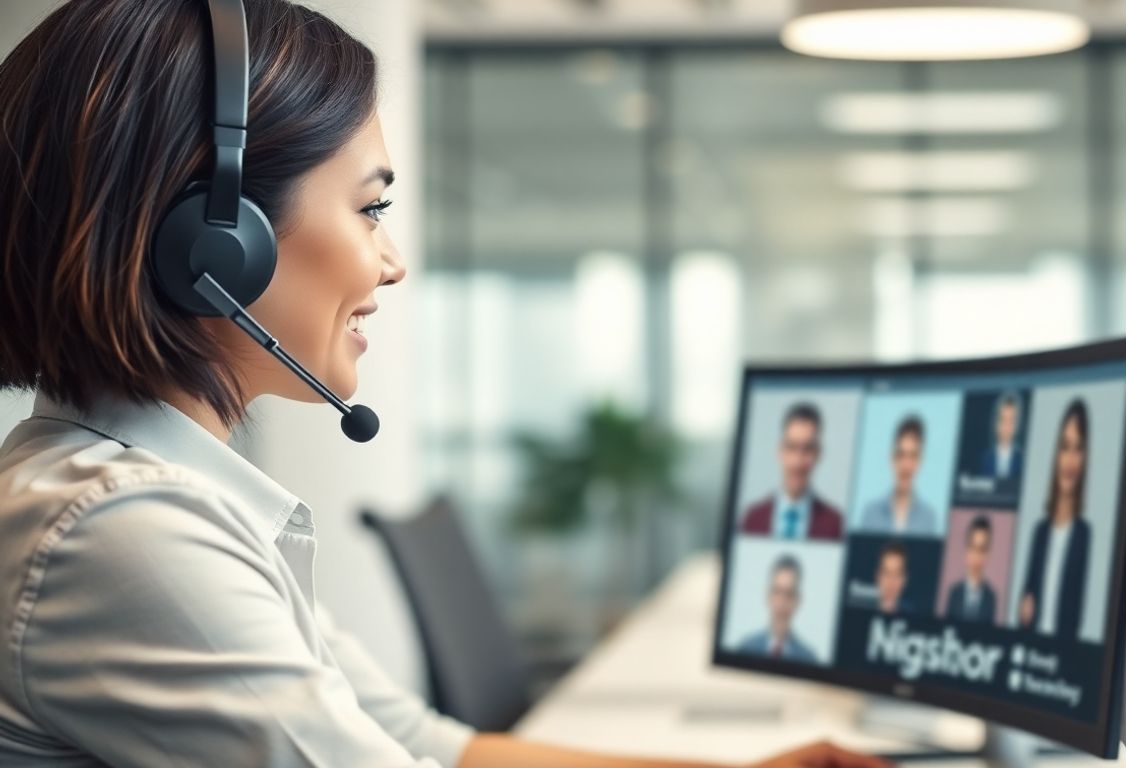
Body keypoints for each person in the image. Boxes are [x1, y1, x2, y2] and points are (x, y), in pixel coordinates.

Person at [0, 3, 887, 767]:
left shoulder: (167, 498)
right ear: (214, 245)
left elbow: (428, 746)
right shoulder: (118, 532)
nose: (393, 262)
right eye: (369, 208)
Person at [1017, 400, 1092, 640]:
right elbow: (1027, 597)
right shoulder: (1040, 532)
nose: (1070, 460)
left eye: (1078, 449)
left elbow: (1078, 614)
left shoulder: (1083, 534)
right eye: (1065, 447)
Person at [740, 402, 844, 540]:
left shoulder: (834, 523)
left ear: (818, 454)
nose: (798, 462)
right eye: (792, 447)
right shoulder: (752, 519)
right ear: (780, 451)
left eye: (807, 449)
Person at [858, 415, 939, 536]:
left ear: (919, 462)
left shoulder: (928, 518)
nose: (906, 466)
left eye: (913, 456)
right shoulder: (871, 514)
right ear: (892, 459)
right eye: (901, 455)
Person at [736, 555, 819, 663]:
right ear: (767, 596)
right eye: (777, 591)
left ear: (798, 601)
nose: (781, 602)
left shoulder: (808, 659)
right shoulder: (745, 649)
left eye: (789, 594)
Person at [945, 515, 998, 624]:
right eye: (972, 547)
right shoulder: (954, 593)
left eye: (982, 550)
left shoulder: (990, 597)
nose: (976, 556)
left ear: (987, 554)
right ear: (966, 551)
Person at [978, 392, 1023, 483]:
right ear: (996, 424)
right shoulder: (985, 459)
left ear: (1017, 425)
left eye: (1011, 421)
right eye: (1003, 420)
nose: (1007, 427)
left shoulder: (1022, 460)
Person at [874, 543, 911, 615]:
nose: (891, 582)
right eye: (886, 573)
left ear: (905, 579)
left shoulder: (913, 617)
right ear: (877, 576)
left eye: (897, 574)